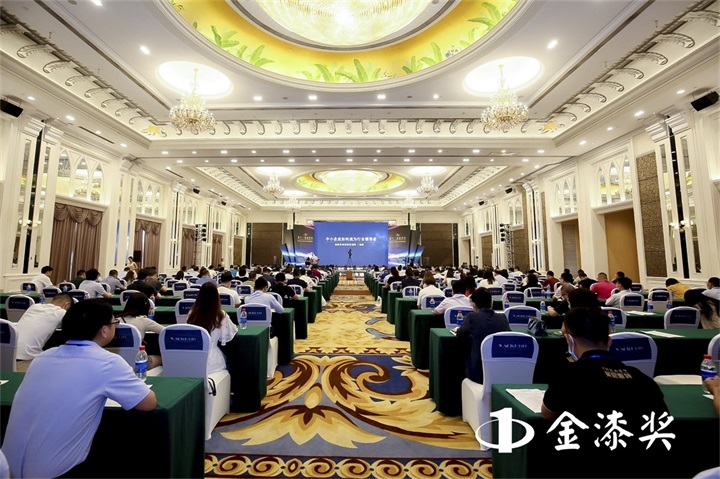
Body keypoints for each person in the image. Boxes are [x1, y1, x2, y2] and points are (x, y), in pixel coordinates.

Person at [2, 299, 156, 478]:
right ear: (104, 330)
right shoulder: (108, 362)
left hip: (7, 467)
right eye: (114, 322)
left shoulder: (42, 358)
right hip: (55, 472)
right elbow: (148, 403)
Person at [540, 307, 670, 478]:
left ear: (569, 340)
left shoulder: (569, 376)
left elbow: (548, 414)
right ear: (609, 341)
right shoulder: (644, 380)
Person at [455, 287, 510, 383]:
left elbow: (460, 334)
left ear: (474, 304)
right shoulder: (503, 318)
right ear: (491, 303)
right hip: (501, 370)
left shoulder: (472, 317)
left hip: (477, 372)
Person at [187, 283, 237, 374]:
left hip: (193, 358)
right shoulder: (221, 315)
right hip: (213, 361)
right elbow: (228, 335)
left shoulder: (192, 313)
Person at [14, 293, 73, 361]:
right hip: (28, 357)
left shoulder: (34, 306)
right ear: (67, 305)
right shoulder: (61, 312)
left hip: (9, 352)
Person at [115, 293, 164, 369]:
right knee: (161, 358)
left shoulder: (115, 321)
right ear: (145, 306)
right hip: (137, 364)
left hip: (116, 362)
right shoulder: (144, 320)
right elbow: (166, 331)